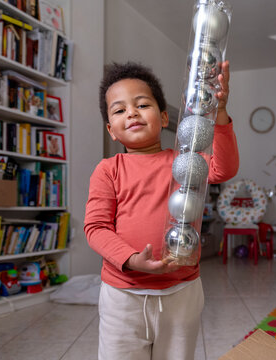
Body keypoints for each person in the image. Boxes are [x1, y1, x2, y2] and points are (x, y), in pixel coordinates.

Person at [84, 61, 239, 360]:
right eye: (119, 110)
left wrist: (219, 113)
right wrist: (130, 259)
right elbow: (96, 228)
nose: (131, 112)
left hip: (181, 291)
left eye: (142, 104)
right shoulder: (108, 170)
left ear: (165, 117)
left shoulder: (184, 162)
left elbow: (223, 168)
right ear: (111, 130)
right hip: (123, 294)